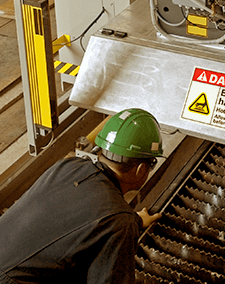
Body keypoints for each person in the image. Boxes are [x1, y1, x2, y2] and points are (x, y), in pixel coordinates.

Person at [0, 108, 164, 284]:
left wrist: (133, 221)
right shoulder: (118, 222)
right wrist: (125, 222)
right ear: (141, 170)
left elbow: (71, 217)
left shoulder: (68, 166)